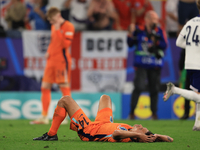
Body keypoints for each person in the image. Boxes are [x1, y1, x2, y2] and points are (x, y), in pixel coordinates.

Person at [33, 94, 173, 142]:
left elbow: (116, 133)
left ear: (138, 136)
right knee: (105, 97)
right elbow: (170, 139)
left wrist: (137, 134)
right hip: (103, 123)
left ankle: (51, 135)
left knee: (65, 100)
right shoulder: (135, 133)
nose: (140, 125)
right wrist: (156, 135)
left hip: (90, 130)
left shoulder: (126, 135)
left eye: (141, 129)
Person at [30, 7, 75, 124]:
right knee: (44, 87)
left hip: (62, 62)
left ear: (58, 16)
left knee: (64, 88)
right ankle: (44, 116)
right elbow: (53, 41)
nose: (51, 22)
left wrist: (59, 29)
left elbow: (66, 44)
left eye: (52, 20)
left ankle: (68, 116)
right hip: (51, 61)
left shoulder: (68, 26)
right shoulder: (53, 26)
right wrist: (49, 51)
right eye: (50, 20)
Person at [163, 0, 200, 131]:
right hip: (199, 63)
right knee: (198, 95)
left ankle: (197, 123)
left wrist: (191, 48)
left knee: (197, 93)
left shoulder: (189, 23)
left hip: (190, 62)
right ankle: (175, 90)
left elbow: (178, 42)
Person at [127, 11, 167, 120]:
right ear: (147, 20)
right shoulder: (139, 30)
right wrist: (130, 33)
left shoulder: (159, 31)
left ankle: (154, 114)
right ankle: (131, 113)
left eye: (157, 20)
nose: (156, 22)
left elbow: (164, 45)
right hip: (141, 64)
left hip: (154, 65)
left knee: (154, 89)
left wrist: (156, 41)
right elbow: (130, 43)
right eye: (154, 19)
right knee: (138, 87)